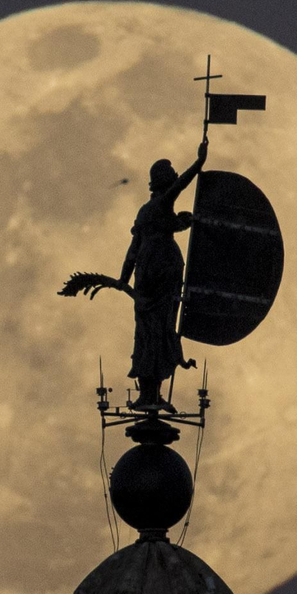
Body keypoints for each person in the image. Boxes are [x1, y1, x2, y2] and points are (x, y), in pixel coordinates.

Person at [118, 139, 207, 407]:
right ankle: (151, 390)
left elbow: (133, 250)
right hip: (162, 273)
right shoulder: (162, 204)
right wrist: (199, 162)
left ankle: (149, 390)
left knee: (148, 330)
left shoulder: (145, 212)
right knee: (161, 328)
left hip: (146, 276)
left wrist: (123, 278)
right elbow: (182, 184)